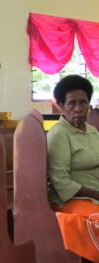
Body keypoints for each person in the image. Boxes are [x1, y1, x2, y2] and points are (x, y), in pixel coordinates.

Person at [48, 74, 99, 262]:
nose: (79, 109)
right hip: (71, 199)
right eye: (72, 103)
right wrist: (96, 194)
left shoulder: (92, 131)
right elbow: (61, 182)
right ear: (61, 105)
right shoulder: (59, 134)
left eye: (83, 103)